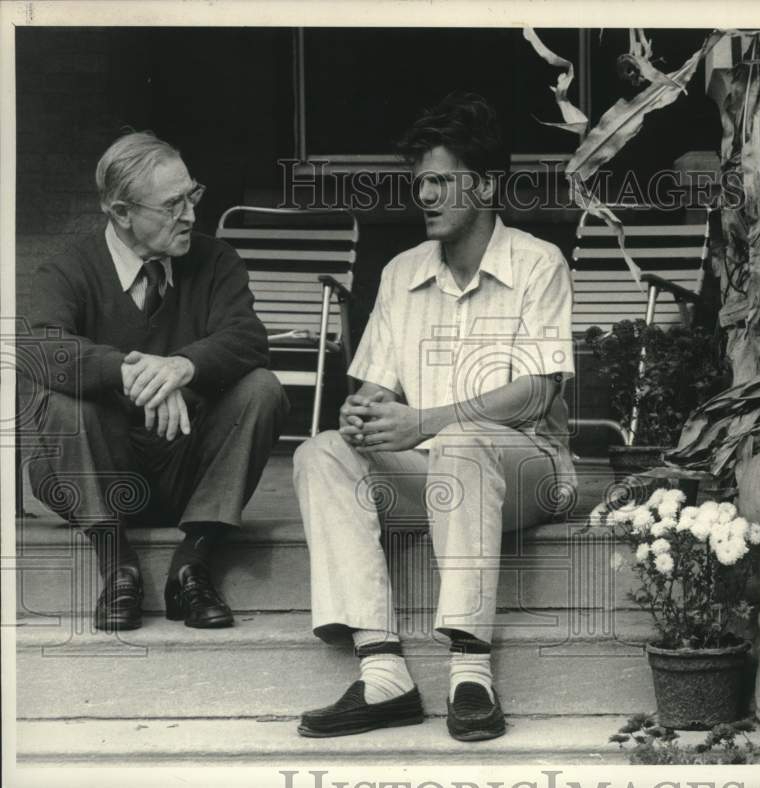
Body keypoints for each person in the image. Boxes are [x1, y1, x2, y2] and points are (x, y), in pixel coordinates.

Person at [292, 93, 577, 742]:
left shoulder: (538, 264)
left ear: (484, 184)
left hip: (527, 474)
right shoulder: (401, 273)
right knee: (320, 453)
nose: (425, 194)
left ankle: (470, 672)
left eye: (442, 180)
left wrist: (425, 421)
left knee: (464, 439)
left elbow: (538, 392)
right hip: (436, 477)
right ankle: (384, 671)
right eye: (420, 182)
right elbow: (375, 387)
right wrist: (361, 414)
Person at [22, 131, 289, 632]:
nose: (190, 215)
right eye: (172, 205)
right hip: (97, 474)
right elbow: (41, 349)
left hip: (187, 473)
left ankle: (192, 564)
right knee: (55, 396)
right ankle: (117, 566)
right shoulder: (65, 270)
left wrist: (180, 367)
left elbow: (249, 338)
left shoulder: (215, 260)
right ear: (121, 213)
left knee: (262, 388)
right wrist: (127, 372)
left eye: (193, 195)